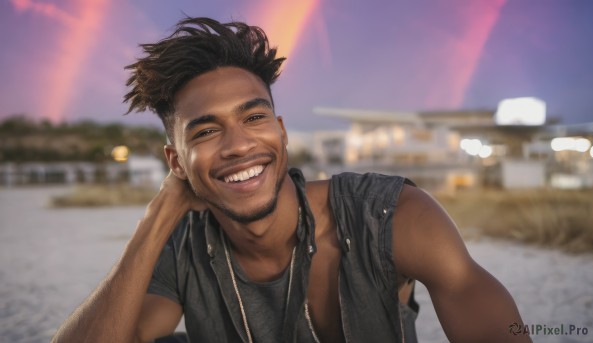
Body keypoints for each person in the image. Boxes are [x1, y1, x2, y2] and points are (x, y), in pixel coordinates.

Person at [53, 17, 531, 343]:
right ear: (176, 162)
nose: (239, 144)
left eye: (254, 117)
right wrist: (159, 215)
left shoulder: (388, 215)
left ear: (280, 133)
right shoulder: (183, 248)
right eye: (206, 130)